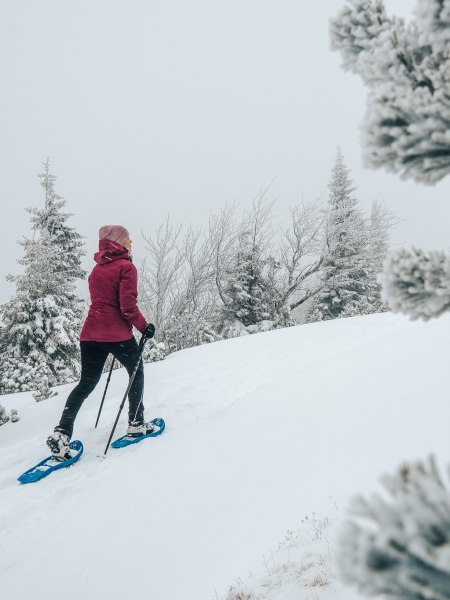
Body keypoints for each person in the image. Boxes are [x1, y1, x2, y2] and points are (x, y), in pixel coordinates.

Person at [46, 225, 156, 458]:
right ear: (119, 243)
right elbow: (127, 307)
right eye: (128, 240)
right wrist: (144, 327)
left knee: (86, 383)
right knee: (136, 372)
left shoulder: (96, 271)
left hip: (90, 335)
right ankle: (136, 423)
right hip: (117, 335)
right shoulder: (126, 267)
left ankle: (62, 434)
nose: (131, 243)